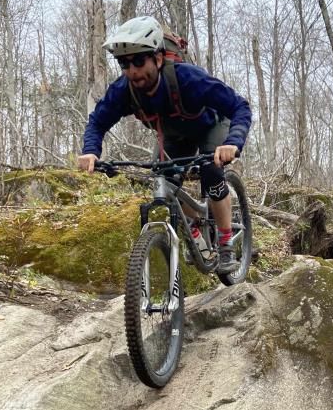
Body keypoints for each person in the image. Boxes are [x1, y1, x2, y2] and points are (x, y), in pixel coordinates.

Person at [78, 16, 252, 274]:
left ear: (158, 59)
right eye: (124, 63)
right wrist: (91, 151)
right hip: (174, 135)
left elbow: (239, 106)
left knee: (212, 174)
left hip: (211, 125)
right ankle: (196, 227)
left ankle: (226, 243)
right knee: (165, 181)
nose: (132, 70)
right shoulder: (124, 89)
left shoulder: (188, 79)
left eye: (139, 61)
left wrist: (232, 143)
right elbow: (97, 121)